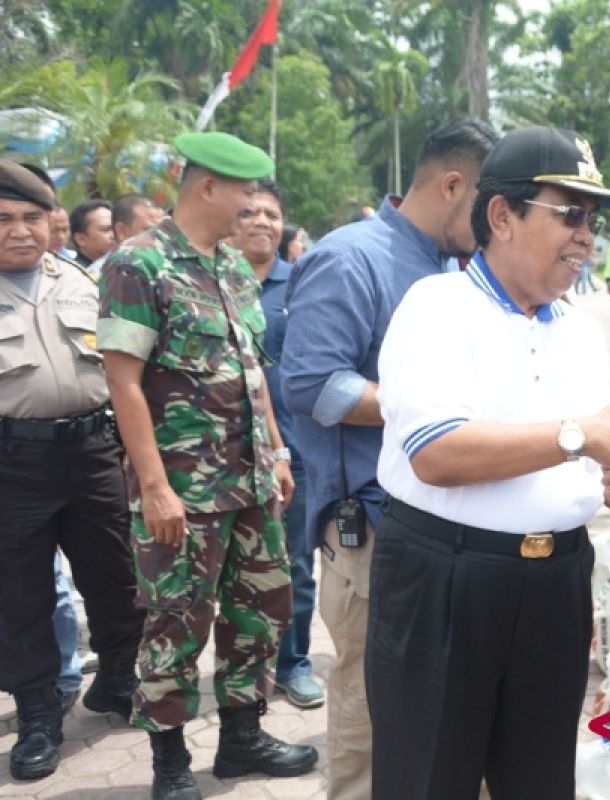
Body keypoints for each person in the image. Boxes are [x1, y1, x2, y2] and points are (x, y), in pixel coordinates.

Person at [367, 125, 610, 800]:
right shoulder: (437, 307)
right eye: (570, 216)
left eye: (593, 222)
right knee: (429, 779)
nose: (586, 238)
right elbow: (435, 453)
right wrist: (579, 435)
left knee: (540, 780)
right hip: (447, 581)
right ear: (501, 216)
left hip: (554, 585)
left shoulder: (575, 327)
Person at [281, 118, 498, 800]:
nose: (499, 223)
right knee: (373, 706)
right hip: (370, 530)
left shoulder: (448, 264)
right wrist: (427, 406)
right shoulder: (354, 258)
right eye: (492, 204)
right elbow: (313, 385)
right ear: (453, 184)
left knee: (442, 704)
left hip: (438, 523)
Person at [99, 131, 317, 800]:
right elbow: (123, 382)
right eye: (247, 194)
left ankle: (241, 741)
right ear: (209, 188)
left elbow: (253, 370)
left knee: (260, 611)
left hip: (251, 482)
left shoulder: (229, 267)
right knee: (176, 621)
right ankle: (169, 765)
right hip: (183, 492)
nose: (256, 208)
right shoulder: (138, 264)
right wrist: (156, 487)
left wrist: (277, 453)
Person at [0, 159, 145, 781]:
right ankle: (38, 715)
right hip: (14, 463)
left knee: (116, 577)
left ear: (52, 220)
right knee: (21, 596)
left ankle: (116, 681)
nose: (20, 231)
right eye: (4, 219)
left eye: (33, 217)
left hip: (93, 452)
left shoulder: (84, 283)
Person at [228, 180, 323, 711]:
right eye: (250, 212)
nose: (262, 221)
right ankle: (241, 672)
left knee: (295, 567)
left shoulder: (301, 286)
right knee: (231, 572)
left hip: (295, 456)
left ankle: (294, 664)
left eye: (272, 212)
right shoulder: (212, 283)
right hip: (222, 456)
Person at [89, 193, 166, 278]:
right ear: (122, 231)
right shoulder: (99, 276)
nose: (161, 236)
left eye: (163, 230)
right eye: (150, 231)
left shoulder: (170, 265)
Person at [69, 199, 114, 270]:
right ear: (81, 239)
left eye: (115, 228)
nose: (114, 235)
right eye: (105, 229)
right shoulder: (73, 276)